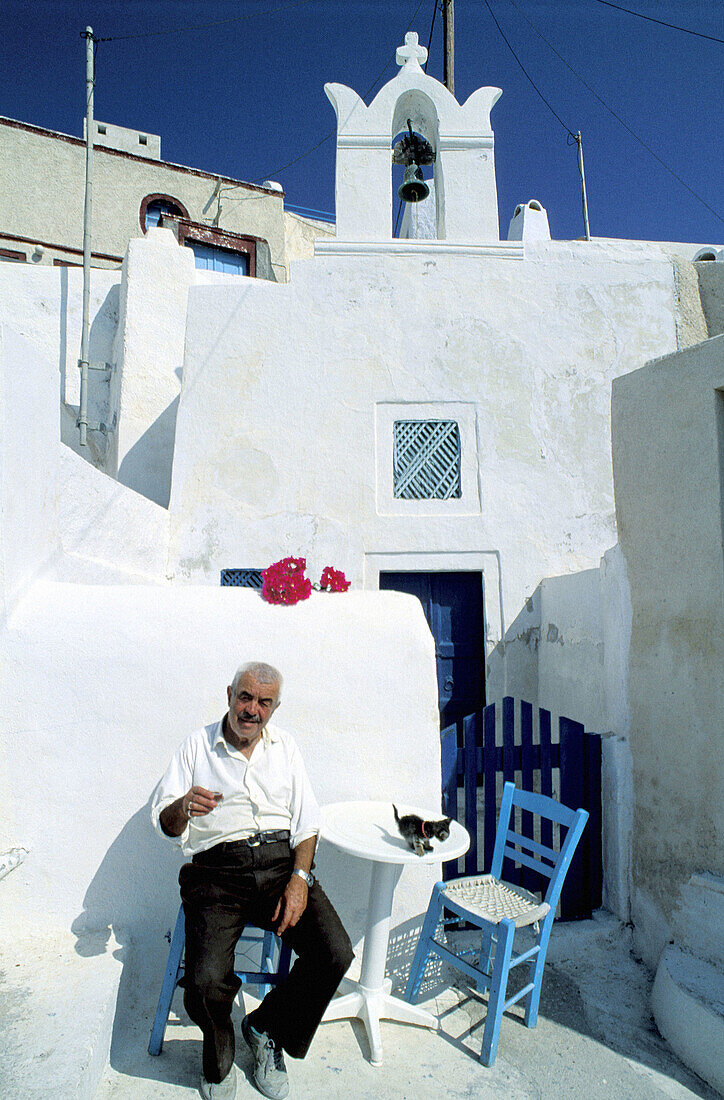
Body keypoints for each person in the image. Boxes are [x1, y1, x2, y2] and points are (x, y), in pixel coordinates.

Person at [151, 661, 354, 1100]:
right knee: (205, 983)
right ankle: (219, 1044)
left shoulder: (286, 747)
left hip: (282, 866)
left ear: (274, 708)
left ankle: (264, 1028)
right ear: (229, 694)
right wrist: (184, 806)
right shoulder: (196, 746)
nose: (252, 710)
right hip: (216, 873)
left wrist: (300, 878)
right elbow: (164, 823)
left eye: (264, 703)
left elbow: (307, 821)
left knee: (334, 953)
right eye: (245, 697)